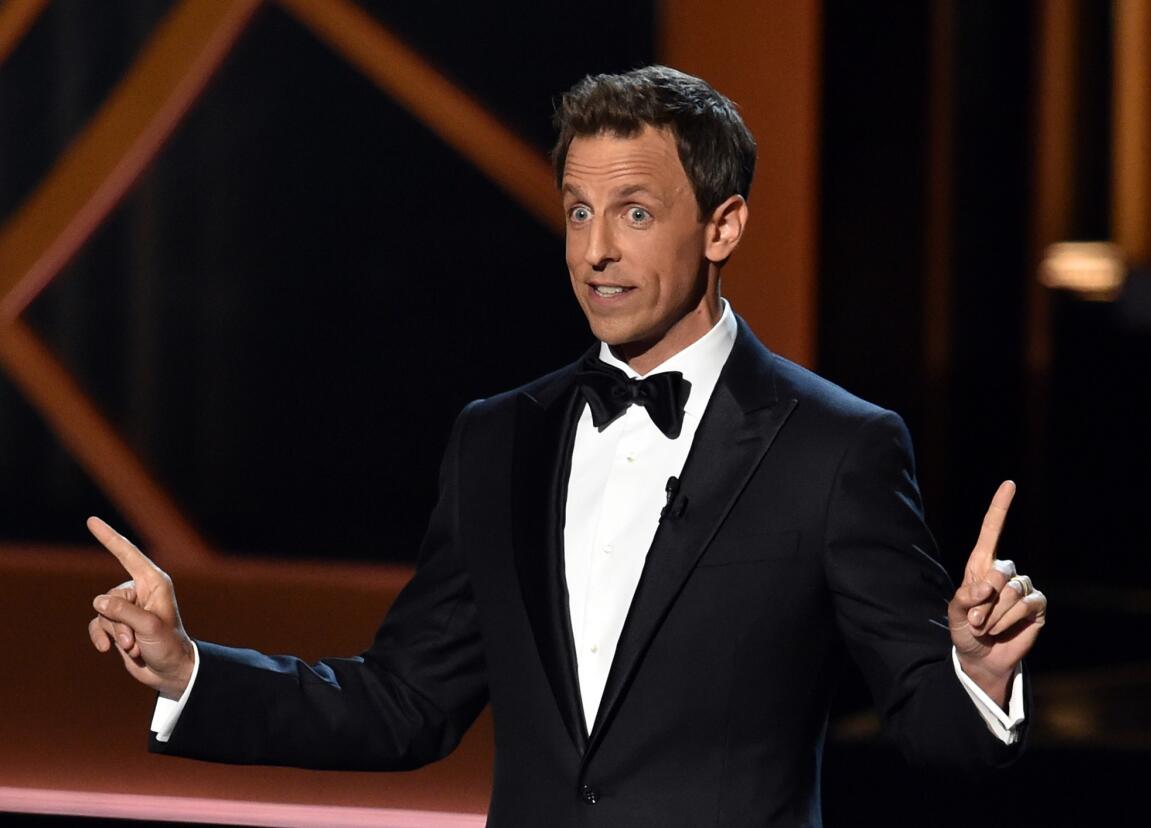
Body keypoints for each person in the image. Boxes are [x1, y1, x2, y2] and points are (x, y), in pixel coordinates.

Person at [87, 65, 1047, 827]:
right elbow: (403, 704)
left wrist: (978, 674)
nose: (595, 251)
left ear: (724, 224)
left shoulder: (836, 447)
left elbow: (937, 730)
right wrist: (191, 671)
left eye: (634, 212)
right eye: (579, 212)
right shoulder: (499, 438)